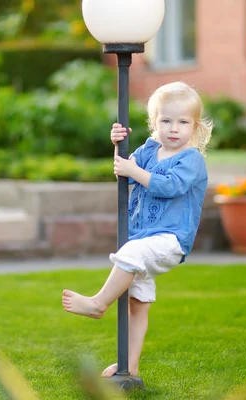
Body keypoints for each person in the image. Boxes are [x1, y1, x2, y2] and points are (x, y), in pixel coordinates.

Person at [61, 81, 213, 377]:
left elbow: (170, 186)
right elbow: (124, 173)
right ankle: (129, 367)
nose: (173, 128)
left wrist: (135, 171)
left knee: (130, 253)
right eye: (166, 120)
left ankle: (98, 303)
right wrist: (118, 146)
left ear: (194, 127)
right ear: (155, 122)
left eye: (182, 122)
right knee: (137, 304)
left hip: (170, 239)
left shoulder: (191, 159)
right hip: (145, 237)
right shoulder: (149, 150)